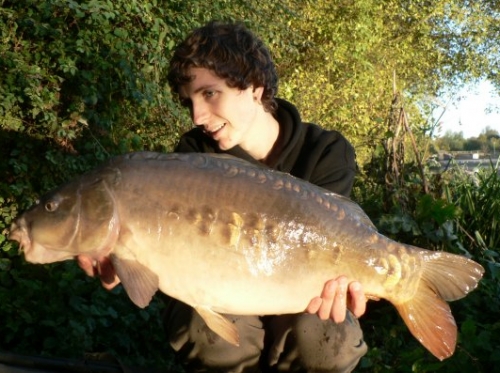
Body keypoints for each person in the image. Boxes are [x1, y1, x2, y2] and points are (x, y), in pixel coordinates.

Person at [78, 21, 368, 373]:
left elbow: (337, 244)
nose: (198, 116)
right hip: (216, 291)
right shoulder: (193, 155)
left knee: (322, 337)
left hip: (296, 291)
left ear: (255, 88)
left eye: (210, 93)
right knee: (205, 332)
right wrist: (124, 258)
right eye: (190, 102)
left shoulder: (325, 151)